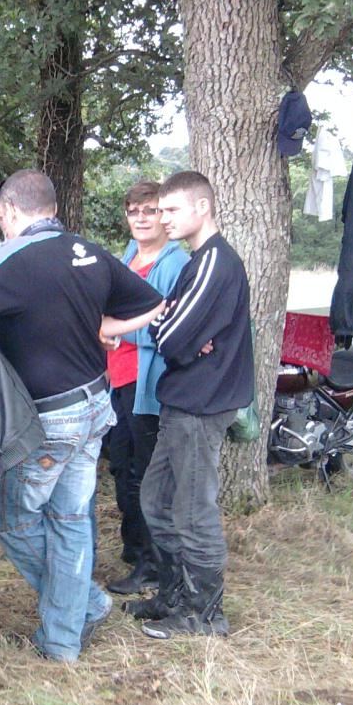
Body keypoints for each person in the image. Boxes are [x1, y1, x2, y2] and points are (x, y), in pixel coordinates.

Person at [0, 168, 164, 661]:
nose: (1, 228)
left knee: (14, 521)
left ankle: (85, 605)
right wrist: (109, 327)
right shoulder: (89, 251)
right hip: (95, 407)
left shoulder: (17, 254)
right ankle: (61, 641)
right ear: (53, 209)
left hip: (48, 419)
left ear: (11, 211)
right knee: (71, 519)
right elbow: (151, 302)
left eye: (0, 219)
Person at [129, 170, 253, 639]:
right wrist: (177, 332)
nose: (163, 218)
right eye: (160, 210)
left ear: (202, 207)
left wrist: (180, 334)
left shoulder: (214, 263)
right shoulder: (196, 263)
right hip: (180, 404)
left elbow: (172, 337)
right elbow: (165, 323)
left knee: (193, 511)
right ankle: (174, 594)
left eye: (171, 209)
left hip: (202, 407)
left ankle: (203, 615)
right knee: (156, 500)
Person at [103, 183, 190, 595]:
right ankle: (134, 547)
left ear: (163, 218)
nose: (140, 218)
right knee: (120, 466)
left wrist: (122, 335)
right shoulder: (128, 256)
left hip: (147, 384)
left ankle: (151, 564)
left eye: (150, 211)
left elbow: (173, 327)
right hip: (117, 380)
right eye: (134, 210)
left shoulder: (175, 265)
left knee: (143, 474)